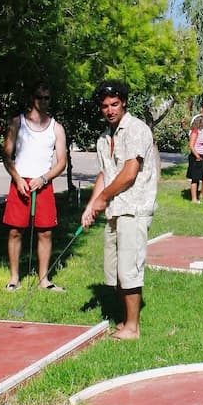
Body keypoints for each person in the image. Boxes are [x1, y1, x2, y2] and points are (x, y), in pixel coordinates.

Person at [81, 79, 158, 340]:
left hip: (134, 208)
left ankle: (133, 327)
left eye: (114, 104)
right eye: (105, 106)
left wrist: (103, 198)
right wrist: (91, 206)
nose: (110, 110)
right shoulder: (104, 138)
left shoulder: (136, 129)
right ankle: (124, 320)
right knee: (114, 271)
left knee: (129, 269)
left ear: (123, 102)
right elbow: (106, 173)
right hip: (114, 209)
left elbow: (129, 173)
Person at [2, 82, 67, 292]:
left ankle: (44, 280)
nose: (43, 101)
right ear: (33, 98)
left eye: (47, 97)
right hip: (20, 183)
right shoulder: (16, 123)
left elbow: (62, 163)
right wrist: (17, 179)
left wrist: (44, 179)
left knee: (45, 233)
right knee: (15, 231)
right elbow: (7, 156)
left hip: (43, 183)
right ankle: (14, 278)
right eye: (40, 97)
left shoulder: (57, 128)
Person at [187, 112, 203, 203]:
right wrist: (197, 156)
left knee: (198, 178)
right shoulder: (195, 132)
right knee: (194, 178)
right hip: (196, 157)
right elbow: (191, 146)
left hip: (200, 156)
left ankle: (196, 197)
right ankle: (194, 199)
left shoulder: (200, 132)